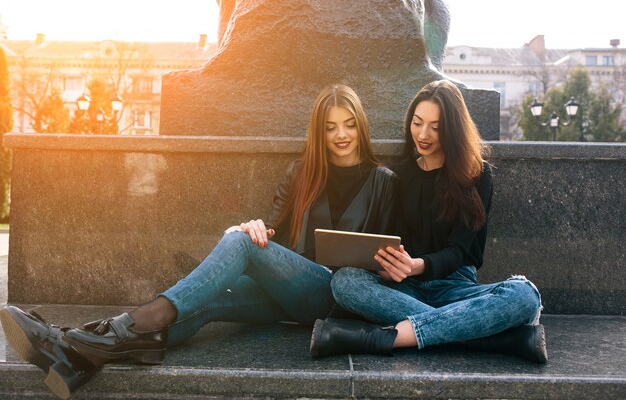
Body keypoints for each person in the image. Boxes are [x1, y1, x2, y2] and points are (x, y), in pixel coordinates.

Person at [0, 84, 398, 399]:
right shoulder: (300, 172)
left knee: (238, 247)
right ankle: (78, 354)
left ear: (360, 126)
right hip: (286, 291)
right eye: (330, 127)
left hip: (336, 297)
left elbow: (389, 254)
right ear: (319, 131)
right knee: (210, 296)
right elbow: (274, 231)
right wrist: (258, 227)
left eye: (348, 124)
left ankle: (94, 333)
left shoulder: (383, 182)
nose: (340, 134)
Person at [310, 80, 548, 363]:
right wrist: (390, 267)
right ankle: (485, 336)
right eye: (418, 123)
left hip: (456, 288)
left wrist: (417, 265)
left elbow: (459, 251)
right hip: (404, 288)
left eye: (436, 127)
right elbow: (390, 240)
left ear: (453, 130)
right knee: (345, 281)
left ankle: (392, 336)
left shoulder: (477, 175)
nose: (423, 134)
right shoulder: (398, 175)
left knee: (524, 294)